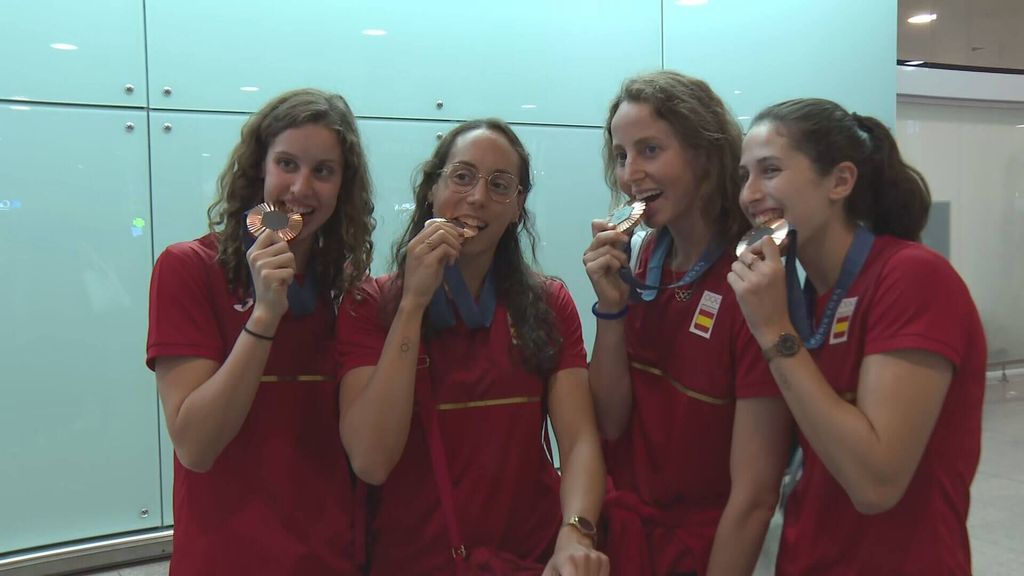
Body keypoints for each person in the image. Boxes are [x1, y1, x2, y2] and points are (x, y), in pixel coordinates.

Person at [336, 118, 610, 575]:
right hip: (412, 559)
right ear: (432, 189)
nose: (478, 197)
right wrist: (413, 305)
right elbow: (370, 460)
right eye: (461, 177)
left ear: (518, 206)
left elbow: (580, 439)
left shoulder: (547, 302)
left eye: (500, 185)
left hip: (529, 557)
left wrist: (576, 533)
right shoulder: (369, 304)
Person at [729, 97, 986, 574]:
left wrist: (773, 331)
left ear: (840, 181)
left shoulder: (913, 277)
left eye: (770, 170)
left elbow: (876, 484)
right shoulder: (800, 296)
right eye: (744, 176)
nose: (750, 193)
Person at [146, 88, 375, 575]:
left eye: (323, 171)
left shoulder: (349, 289)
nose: (301, 188)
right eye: (287, 164)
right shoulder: (189, 268)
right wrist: (265, 316)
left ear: (342, 187)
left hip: (332, 559)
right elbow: (196, 447)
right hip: (224, 559)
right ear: (259, 169)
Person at [582, 70, 791, 575]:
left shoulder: (753, 277)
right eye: (621, 155)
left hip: (709, 547)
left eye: (651, 150)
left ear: (704, 153)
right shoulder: (646, 256)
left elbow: (755, 495)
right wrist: (611, 309)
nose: (631, 173)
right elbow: (610, 422)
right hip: (626, 539)